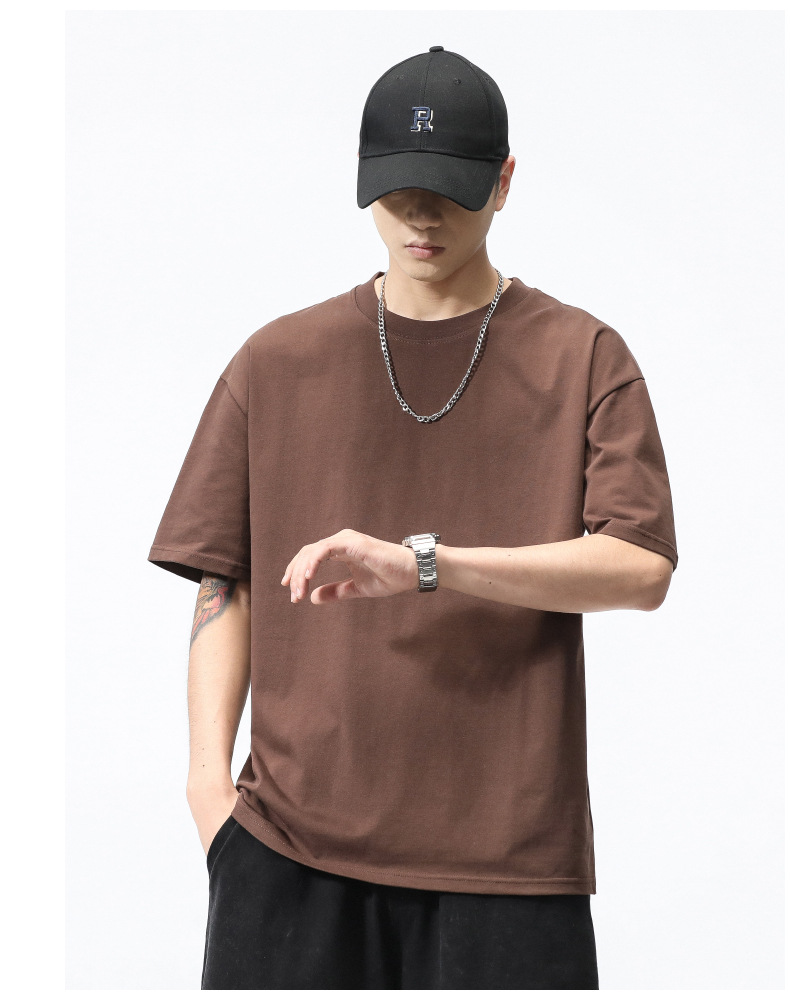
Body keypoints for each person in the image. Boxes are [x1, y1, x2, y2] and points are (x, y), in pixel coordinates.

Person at [148, 45, 678, 990]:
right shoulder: (277, 361)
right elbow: (225, 581)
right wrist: (206, 790)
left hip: (509, 865)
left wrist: (425, 565)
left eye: (450, 190)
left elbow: (641, 567)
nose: (422, 216)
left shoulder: (583, 356)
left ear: (504, 183)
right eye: (397, 191)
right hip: (287, 852)